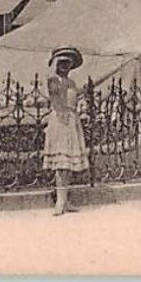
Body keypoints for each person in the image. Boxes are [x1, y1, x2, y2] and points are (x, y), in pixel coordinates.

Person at [43, 46, 91, 216]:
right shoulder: (53, 80)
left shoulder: (72, 83)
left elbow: (74, 100)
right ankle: (60, 201)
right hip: (59, 120)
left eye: (68, 63)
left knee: (69, 164)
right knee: (60, 163)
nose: (65, 66)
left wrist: (81, 98)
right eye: (62, 62)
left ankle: (65, 200)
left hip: (72, 120)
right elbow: (54, 96)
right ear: (56, 64)